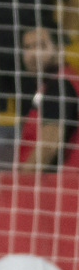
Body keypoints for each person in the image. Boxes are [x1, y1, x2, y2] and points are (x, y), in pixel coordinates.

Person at [17, 26, 79, 172]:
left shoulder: (59, 86)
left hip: (58, 184)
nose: (33, 54)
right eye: (27, 47)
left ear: (58, 48)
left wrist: (22, 182)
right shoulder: (59, 81)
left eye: (40, 45)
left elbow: (48, 147)